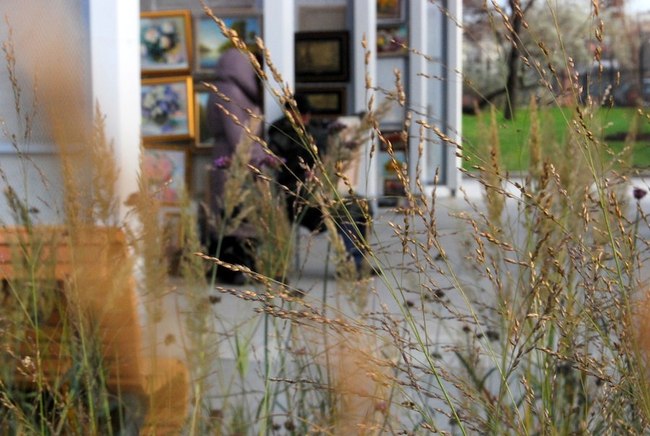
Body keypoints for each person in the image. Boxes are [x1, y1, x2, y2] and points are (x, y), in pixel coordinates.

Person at [267, 94, 375, 278]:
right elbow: (283, 165)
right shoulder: (280, 135)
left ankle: (356, 262)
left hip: (320, 191)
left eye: (308, 114)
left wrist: (355, 121)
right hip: (297, 196)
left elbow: (332, 129)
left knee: (361, 206)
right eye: (303, 114)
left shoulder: (313, 128)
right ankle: (352, 265)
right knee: (347, 211)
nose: (307, 118)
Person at [200, 48, 263, 285]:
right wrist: (260, 158)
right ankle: (232, 268)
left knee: (228, 213)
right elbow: (239, 136)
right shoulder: (231, 92)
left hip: (227, 156)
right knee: (234, 213)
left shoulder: (223, 89)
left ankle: (230, 266)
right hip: (234, 161)